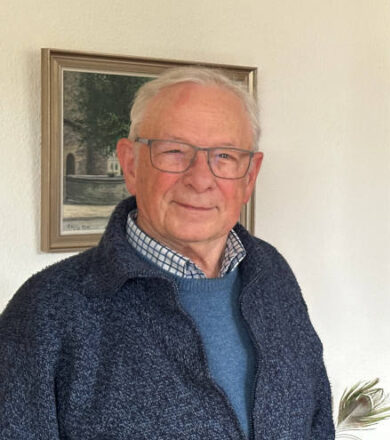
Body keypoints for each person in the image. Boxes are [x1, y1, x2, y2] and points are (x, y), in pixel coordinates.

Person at [0, 67, 334, 439]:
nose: (200, 178)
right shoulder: (47, 310)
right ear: (130, 164)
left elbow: (316, 417)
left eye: (224, 156)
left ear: (250, 176)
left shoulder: (271, 272)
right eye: (174, 151)